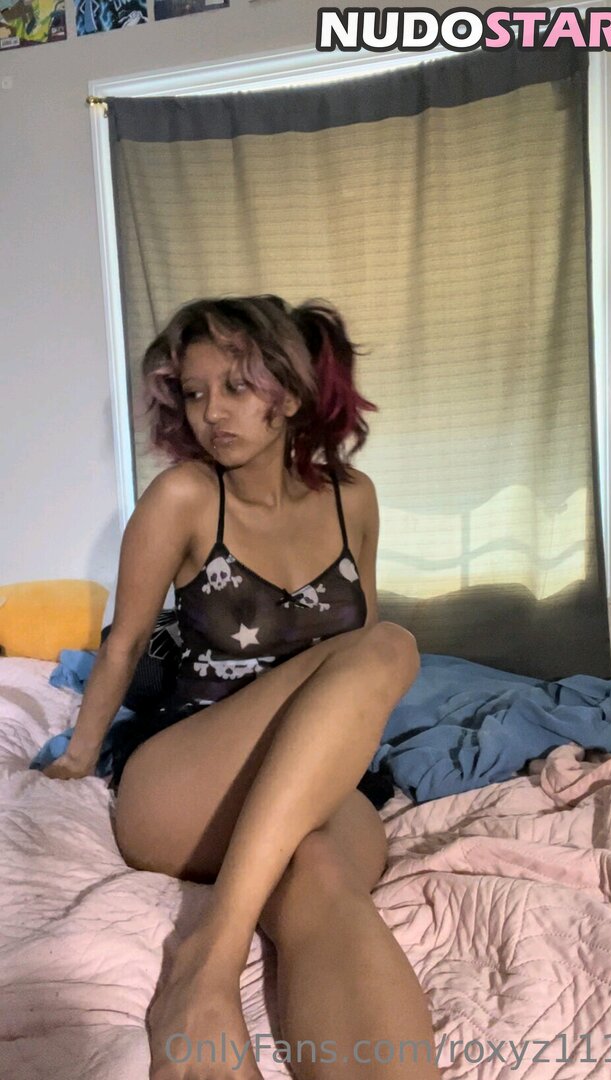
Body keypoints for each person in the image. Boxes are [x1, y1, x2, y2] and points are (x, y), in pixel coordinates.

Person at [42, 295, 440, 1080]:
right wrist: (76, 758)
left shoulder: (352, 497)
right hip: (187, 777)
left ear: (287, 394)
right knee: (390, 646)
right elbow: (124, 643)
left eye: (234, 386)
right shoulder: (185, 497)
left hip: (307, 781)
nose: (211, 413)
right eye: (194, 393)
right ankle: (208, 961)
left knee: (323, 871)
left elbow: (353, 646)